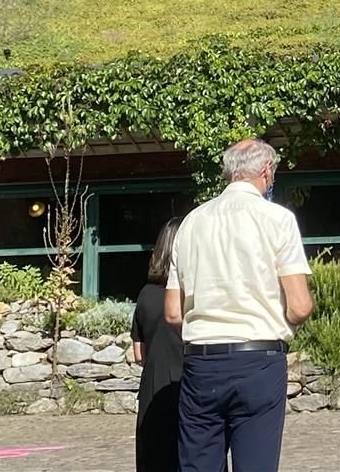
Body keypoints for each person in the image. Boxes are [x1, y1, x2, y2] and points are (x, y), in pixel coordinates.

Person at [165, 139, 313, 472]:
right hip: (258, 356)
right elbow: (300, 306)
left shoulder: (191, 222)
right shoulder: (278, 219)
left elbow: (173, 311)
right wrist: (283, 317)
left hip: (201, 359)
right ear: (267, 170)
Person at [133, 217, 184, 472]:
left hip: (153, 389)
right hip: (189, 384)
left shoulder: (146, 294)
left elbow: (138, 354)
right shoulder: (191, 296)